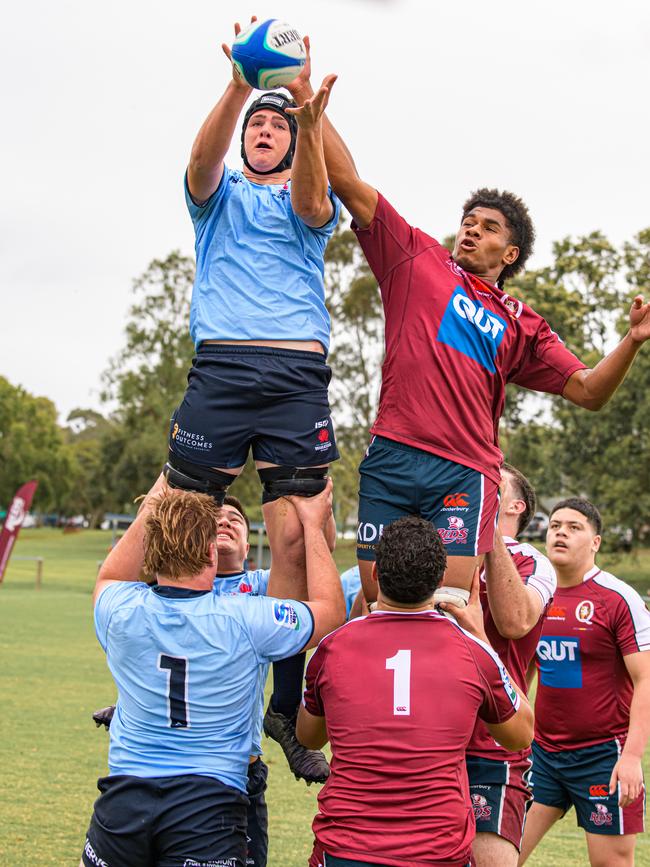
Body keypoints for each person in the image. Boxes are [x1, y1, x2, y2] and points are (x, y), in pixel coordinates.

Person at [285, 46, 650, 611]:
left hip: (463, 471)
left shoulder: (522, 324)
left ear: (512, 251)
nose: (471, 231)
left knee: (450, 606)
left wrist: (632, 340)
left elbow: (589, 391)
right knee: (378, 603)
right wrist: (307, 102)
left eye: (488, 227)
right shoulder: (417, 259)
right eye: (467, 222)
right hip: (392, 453)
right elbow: (350, 183)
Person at [164, 22, 342, 783]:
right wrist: (241, 81)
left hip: (295, 375)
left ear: (295, 143)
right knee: (176, 524)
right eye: (256, 126)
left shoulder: (311, 198)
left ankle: (285, 706)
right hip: (224, 369)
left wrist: (308, 119)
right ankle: (151, 677)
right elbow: (199, 161)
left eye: (278, 125)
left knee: (299, 537)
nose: (265, 132)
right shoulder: (218, 195)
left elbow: (312, 203)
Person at [81, 476, 345, 867]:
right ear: (210, 553)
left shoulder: (120, 609)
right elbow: (329, 613)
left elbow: (111, 575)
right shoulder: (246, 619)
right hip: (207, 807)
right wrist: (311, 524)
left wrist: (172, 475)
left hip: (123, 800)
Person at [297, 515, 534, 867]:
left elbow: (309, 737)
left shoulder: (333, 648)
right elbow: (520, 735)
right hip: (437, 850)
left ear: (375, 573)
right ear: (441, 580)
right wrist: (483, 637)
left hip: (346, 848)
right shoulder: (472, 651)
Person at [519, 498, 650, 867]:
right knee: (500, 855)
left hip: (602, 757)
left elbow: (646, 679)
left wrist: (632, 757)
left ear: (596, 542)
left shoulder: (617, 599)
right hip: (542, 755)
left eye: (574, 527)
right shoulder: (535, 594)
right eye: (556, 525)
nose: (561, 531)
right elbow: (523, 670)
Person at [465, 464, 556, 867]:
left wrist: (485, 530)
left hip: (491, 741)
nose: (479, 479)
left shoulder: (532, 562)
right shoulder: (445, 547)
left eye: (493, 481)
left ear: (516, 505)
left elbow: (516, 622)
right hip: (425, 735)